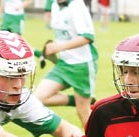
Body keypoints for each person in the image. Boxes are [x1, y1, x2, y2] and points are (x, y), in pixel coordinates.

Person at [33, 0, 98, 128]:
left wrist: (58, 47)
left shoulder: (77, 6)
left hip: (81, 66)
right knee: (37, 99)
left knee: (83, 113)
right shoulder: (55, 5)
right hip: (63, 65)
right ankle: (77, 101)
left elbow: (87, 37)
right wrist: (52, 51)